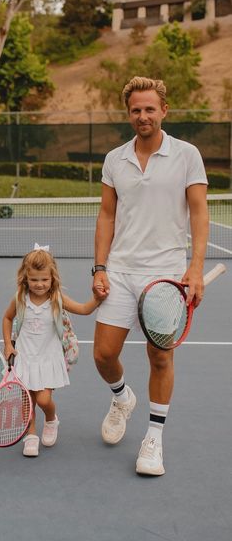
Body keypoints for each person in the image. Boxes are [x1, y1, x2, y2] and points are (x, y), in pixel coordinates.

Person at [92, 76, 209, 475]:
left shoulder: (187, 155)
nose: (143, 116)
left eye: (149, 109)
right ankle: (122, 397)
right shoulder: (115, 159)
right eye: (136, 110)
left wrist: (194, 268)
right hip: (121, 271)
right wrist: (100, 266)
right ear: (129, 114)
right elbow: (107, 214)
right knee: (103, 355)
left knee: (160, 356)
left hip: (166, 274)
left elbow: (198, 212)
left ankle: (153, 439)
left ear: (164, 110)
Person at [2, 246, 106, 457]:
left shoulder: (57, 299)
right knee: (26, 398)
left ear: (52, 278)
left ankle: (51, 418)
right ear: (25, 278)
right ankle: (30, 435)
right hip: (25, 357)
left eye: (44, 279)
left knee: (43, 400)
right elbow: (7, 318)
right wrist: (8, 344)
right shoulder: (20, 299)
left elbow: (85, 309)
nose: (39, 284)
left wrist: (97, 298)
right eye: (34, 280)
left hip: (48, 358)